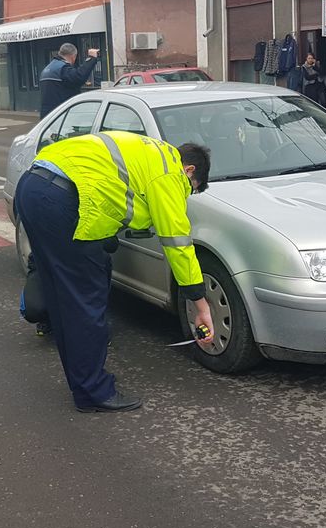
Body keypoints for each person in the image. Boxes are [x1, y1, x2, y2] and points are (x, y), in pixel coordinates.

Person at [15, 131, 214, 413]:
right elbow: (177, 243)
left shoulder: (150, 152)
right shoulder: (170, 172)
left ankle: (81, 374)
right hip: (62, 200)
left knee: (66, 289)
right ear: (189, 170)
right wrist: (200, 304)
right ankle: (92, 392)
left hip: (34, 186)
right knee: (85, 299)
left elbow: (112, 197)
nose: (186, 193)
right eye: (191, 187)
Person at [38, 43, 100, 118]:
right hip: (60, 116)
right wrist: (91, 58)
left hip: (47, 117)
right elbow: (79, 77)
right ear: (73, 56)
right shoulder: (62, 69)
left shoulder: (47, 69)